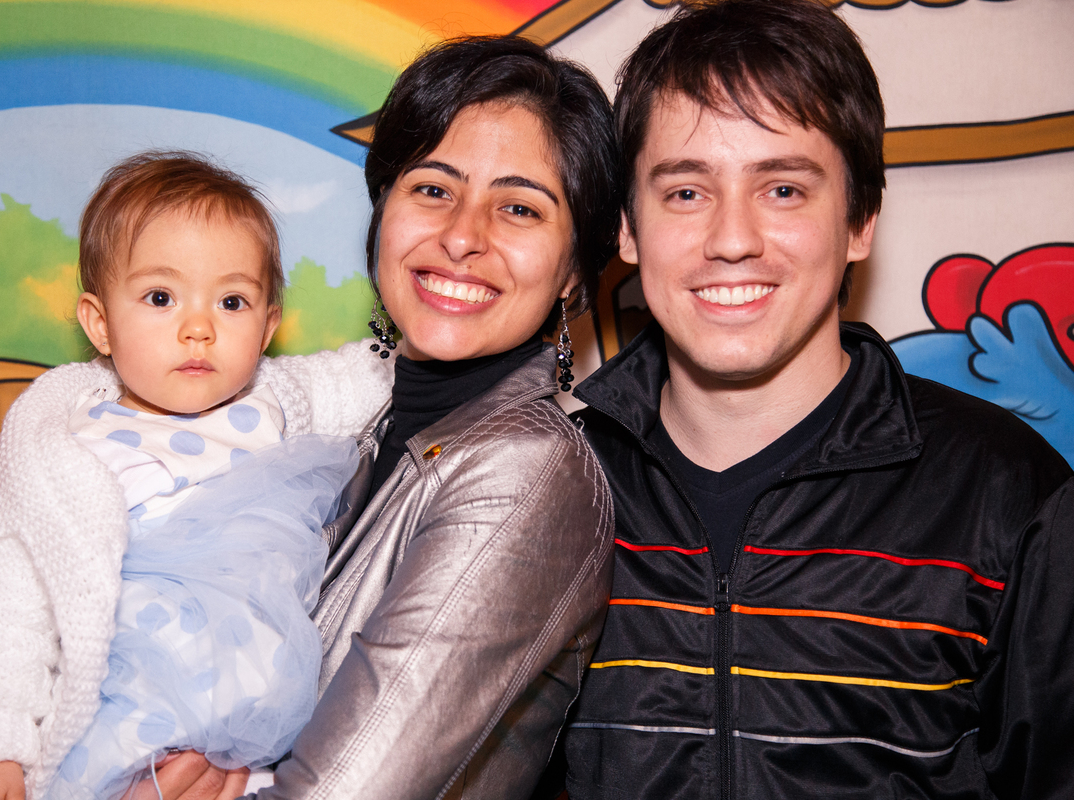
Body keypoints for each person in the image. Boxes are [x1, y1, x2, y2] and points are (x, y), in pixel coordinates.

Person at [558, 1, 1074, 798]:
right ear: (627, 228)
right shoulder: (547, 487)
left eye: (785, 189)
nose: (733, 238)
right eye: (687, 193)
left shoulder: (1010, 493)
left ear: (861, 218)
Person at [148, 35, 621, 800]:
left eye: (520, 207)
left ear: (572, 273)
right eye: (433, 189)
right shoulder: (348, 443)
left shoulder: (529, 469)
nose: (463, 236)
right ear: (383, 211)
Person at [0, 152, 393, 800]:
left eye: (232, 301)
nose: (198, 328)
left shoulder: (278, 402)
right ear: (99, 322)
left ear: (267, 328)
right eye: (159, 297)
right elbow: (4, 599)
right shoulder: (63, 442)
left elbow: (380, 370)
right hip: (113, 722)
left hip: (264, 747)